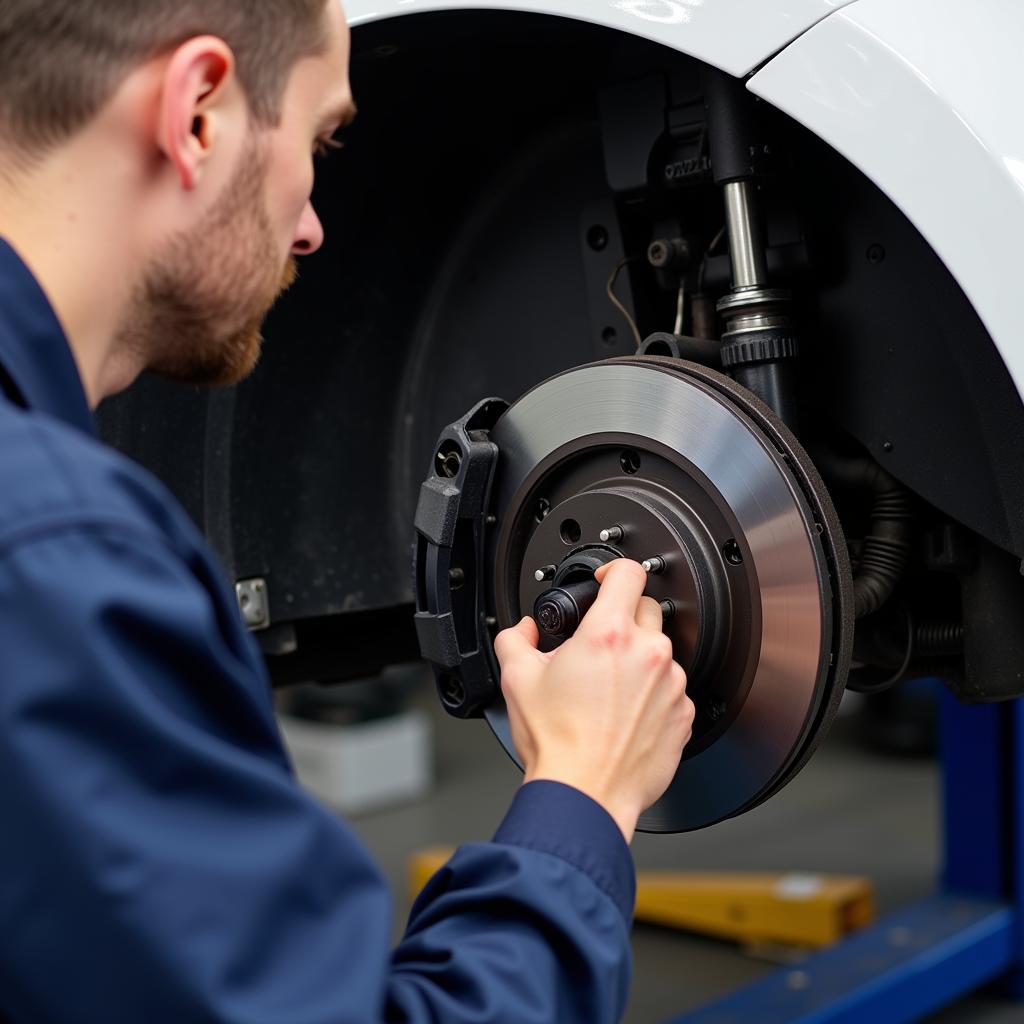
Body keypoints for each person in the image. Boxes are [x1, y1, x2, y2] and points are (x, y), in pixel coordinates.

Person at [0, 1, 695, 1021]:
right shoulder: (51, 561)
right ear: (198, 113)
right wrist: (584, 792)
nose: (314, 224)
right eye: (322, 140)